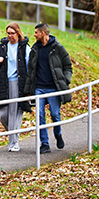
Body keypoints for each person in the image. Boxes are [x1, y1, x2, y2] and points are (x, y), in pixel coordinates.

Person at [23, 23, 72, 154]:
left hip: (53, 88)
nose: (34, 35)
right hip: (39, 88)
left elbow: (68, 66)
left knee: (55, 115)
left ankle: (58, 134)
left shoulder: (58, 48)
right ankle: (44, 144)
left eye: (36, 32)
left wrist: (65, 81)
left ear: (43, 33)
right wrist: (28, 91)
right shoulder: (34, 49)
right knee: (39, 116)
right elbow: (31, 71)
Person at [0, 22, 31, 152]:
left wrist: (29, 88)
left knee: (15, 113)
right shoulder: (3, 46)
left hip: (18, 84)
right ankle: (14, 134)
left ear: (18, 33)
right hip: (4, 83)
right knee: (2, 114)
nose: (10, 36)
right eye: (8, 33)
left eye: (12, 33)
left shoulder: (24, 47)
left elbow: (30, 66)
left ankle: (14, 144)